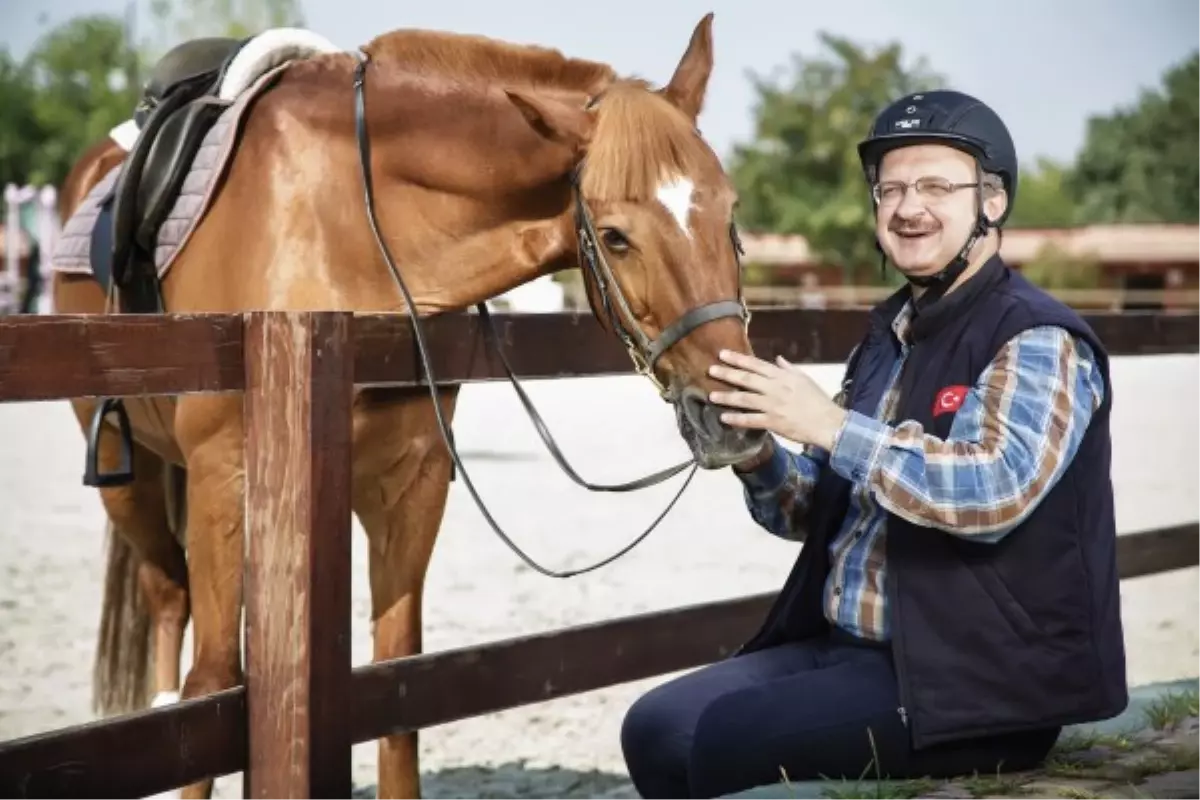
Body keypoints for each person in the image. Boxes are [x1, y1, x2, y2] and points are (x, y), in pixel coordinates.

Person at [619, 90, 1128, 799]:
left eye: (935, 186)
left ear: (993, 203)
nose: (908, 206)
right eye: (890, 188)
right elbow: (815, 510)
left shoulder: (1037, 337)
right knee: (654, 727)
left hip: (984, 675)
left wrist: (827, 425)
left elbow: (997, 491)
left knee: (723, 743)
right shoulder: (886, 342)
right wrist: (756, 452)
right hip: (857, 651)